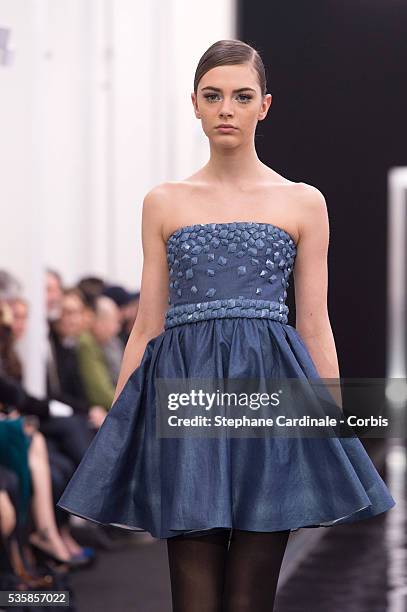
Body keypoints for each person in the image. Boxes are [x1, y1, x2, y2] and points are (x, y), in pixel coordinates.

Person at [57, 39, 396, 611]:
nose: (226, 109)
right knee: (192, 594)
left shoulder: (302, 202)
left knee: (251, 595)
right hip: (186, 396)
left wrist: (334, 420)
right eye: (213, 96)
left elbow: (315, 323)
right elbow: (147, 323)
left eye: (241, 96)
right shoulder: (164, 202)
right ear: (194, 104)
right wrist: (121, 423)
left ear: (264, 105)